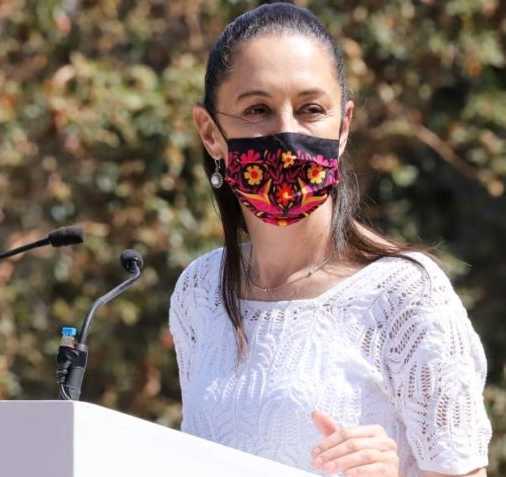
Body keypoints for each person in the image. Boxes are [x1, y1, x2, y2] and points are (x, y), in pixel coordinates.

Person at [168, 3, 491, 477]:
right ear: (210, 133)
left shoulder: (406, 296)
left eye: (310, 109)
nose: (287, 132)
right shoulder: (199, 292)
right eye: (257, 109)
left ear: (342, 127)